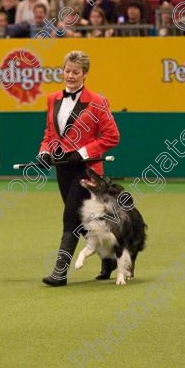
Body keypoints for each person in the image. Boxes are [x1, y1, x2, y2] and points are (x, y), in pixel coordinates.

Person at [39, 51, 120, 286]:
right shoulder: (53, 98)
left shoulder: (97, 101)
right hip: (63, 168)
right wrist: (45, 152)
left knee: (70, 217)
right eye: (67, 71)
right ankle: (108, 259)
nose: (70, 76)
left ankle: (60, 272)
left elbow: (112, 136)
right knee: (81, 218)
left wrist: (83, 153)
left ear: (85, 74)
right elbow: (50, 133)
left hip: (88, 171)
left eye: (75, 72)